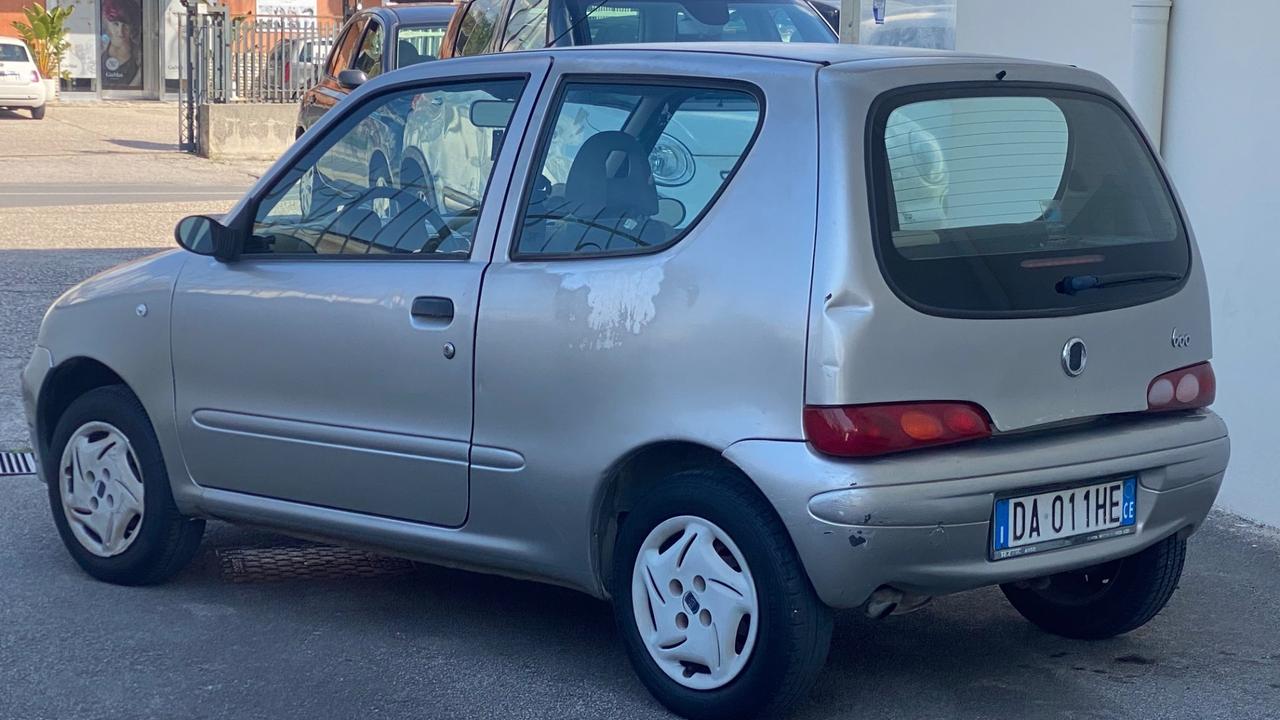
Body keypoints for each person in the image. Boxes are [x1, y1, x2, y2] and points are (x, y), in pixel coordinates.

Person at [101, 0, 142, 89]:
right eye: (115, 24)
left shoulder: (140, 55)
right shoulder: (99, 50)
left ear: (132, 26)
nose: (120, 32)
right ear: (107, 23)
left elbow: (134, 93)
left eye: (126, 25)